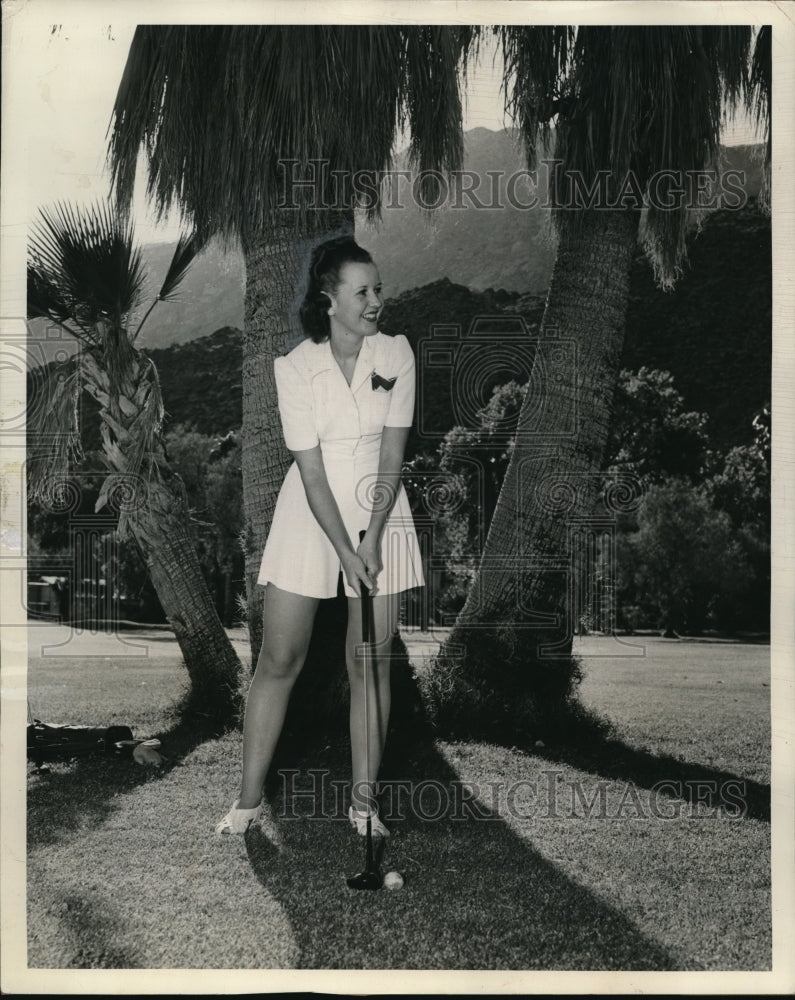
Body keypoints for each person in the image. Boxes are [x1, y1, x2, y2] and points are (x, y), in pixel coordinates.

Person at [216, 235, 424, 838]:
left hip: (379, 514)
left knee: (371, 662)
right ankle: (248, 803)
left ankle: (364, 808)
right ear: (329, 299)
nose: (376, 300)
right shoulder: (294, 367)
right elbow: (309, 470)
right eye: (363, 291)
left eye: (379, 289)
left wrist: (373, 538)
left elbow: (392, 457)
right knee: (280, 658)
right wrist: (342, 548)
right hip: (310, 514)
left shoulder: (398, 354)